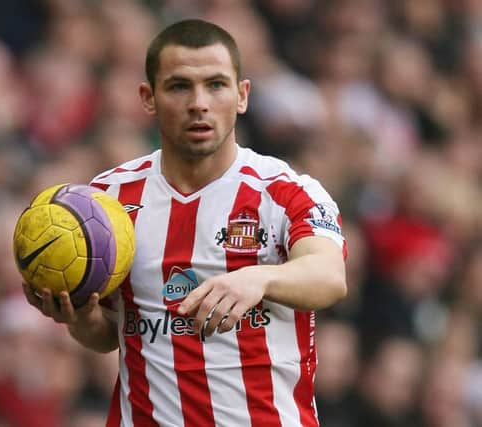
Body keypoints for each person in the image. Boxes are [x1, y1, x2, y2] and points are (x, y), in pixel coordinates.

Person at [23, 19, 347, 427]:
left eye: (216, 85)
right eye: (179, 86)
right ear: (148, 98)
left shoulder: (285, 191)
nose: (199, 102)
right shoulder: (106, 202)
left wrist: (258, 280)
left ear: (242, 95)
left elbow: (329, 275)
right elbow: (109, 334)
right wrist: (80, 318)